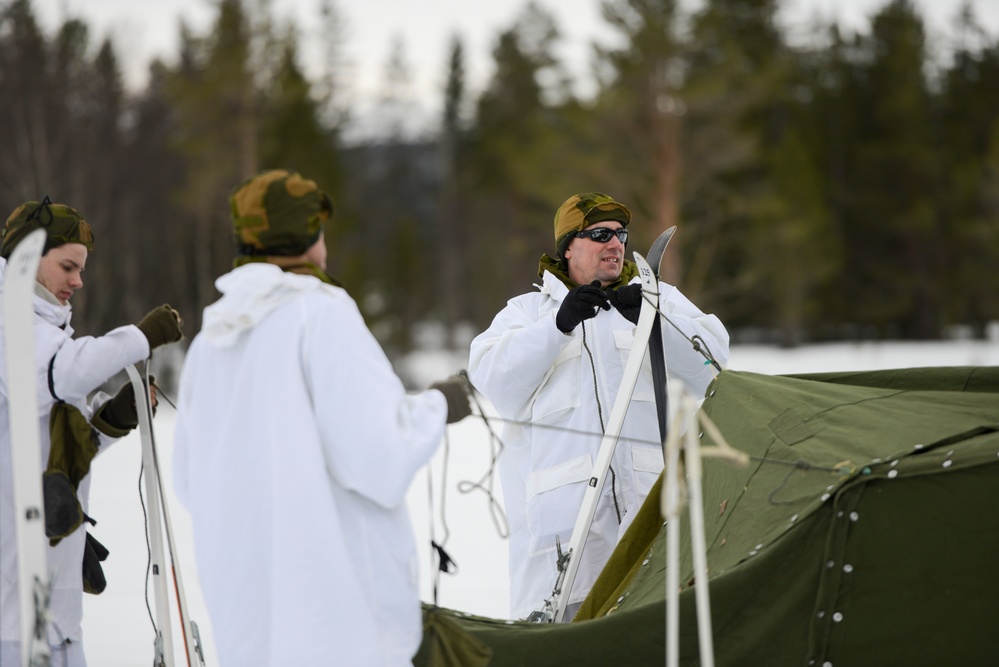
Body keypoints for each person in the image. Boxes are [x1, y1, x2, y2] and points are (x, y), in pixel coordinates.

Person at [172, 169, 471, 666]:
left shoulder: (209, 342)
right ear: (309, 234)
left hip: (250, 625)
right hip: (335, 622)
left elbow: (189, 481)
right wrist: (440, 404)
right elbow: (379, 457)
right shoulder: (320, 313)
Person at [468, 192, 730, 622]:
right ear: (568, 246)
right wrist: (558, 326)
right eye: (600, 234)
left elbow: (713, 365)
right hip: (565, 540)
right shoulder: (528, 312)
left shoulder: (657, 298)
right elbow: (493, 380)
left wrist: (655, 315)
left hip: (649, 524)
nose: (616, 243)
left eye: (621, 234)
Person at [0, 198, 184, 666]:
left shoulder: (47, 331)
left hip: (55, 600)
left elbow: (59, 444)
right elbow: (62, 375)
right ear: (29, 254)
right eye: (67, 266)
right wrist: (139, 338)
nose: (78, 281)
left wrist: (111, 421)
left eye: (81, 269)